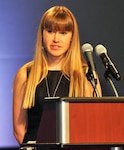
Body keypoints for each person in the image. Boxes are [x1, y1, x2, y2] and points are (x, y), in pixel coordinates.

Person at [12, 5, 102, 146]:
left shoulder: (86, 75)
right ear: (42, 34)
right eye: (50, 31)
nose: (56, 39)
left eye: (63, 33)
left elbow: (93, 125)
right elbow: (19, 130)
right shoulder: (25, 74)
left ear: (72, 37)